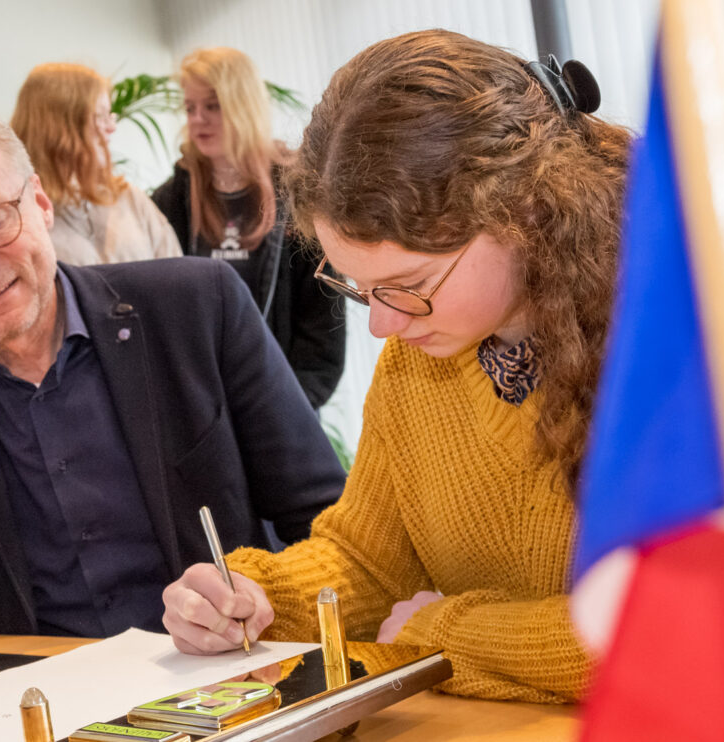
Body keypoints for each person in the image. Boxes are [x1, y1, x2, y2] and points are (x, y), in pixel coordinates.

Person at [0, 100, 346, 695]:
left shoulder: (196, 306)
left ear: (41, 204)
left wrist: (265, 593)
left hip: (230, 681)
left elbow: (328, 519)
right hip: (26, 710)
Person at [161, 30, 631, 704]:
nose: (383, 323)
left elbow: (686, 623)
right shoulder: (418, 360)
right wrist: (259, 597)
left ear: (526, 209)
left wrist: (448, 632)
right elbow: (368, 560)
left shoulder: (672, 347)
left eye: (408, 284)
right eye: (357, 286)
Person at [151, 47, 345, 411]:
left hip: (286, 407)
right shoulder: (172, 198)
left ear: (243, 105)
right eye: (190, 108)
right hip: (205, 410)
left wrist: (289, 408)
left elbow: (322, 324)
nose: (198, 120)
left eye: (213, 106)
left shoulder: (297, 191)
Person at [10, 63, 181, 265]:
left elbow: (180, 276)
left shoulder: (130, 199)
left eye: (110, 115)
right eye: (100, 116)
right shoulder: (23, 217)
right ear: (58, 127)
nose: (111, 127)